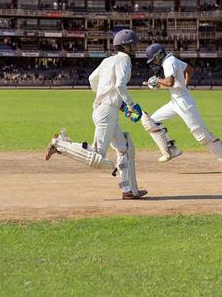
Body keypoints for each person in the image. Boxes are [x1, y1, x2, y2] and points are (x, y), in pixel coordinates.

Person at [45, 29, 148, 199]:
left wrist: (105, 96)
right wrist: (130, 104)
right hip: (107, 111)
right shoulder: (125, 60)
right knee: (98, 156)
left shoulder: (108, 61)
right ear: (125, 46)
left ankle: (127, 190)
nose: (135, 48)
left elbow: (92, 79)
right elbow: (121, 85)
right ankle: (60, 144)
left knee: (124, 148)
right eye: (133, 45)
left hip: (105, 109)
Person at [141, 43, 222, 174]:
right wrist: (183, 85)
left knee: (202, 136)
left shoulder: (169, 62)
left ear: (159, 54)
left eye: (154, 59)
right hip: (176, 101)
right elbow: (190, 69)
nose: (154, 62)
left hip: (184, 103)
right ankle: (171, 149)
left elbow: (169, 82)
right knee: (150, 121)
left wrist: (157, 80)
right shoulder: (172, 59)